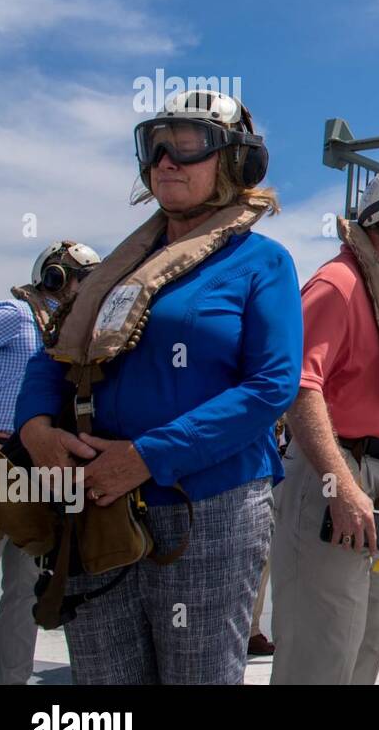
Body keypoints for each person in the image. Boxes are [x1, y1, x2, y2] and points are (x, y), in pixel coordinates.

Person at [15, 89, 301, 684]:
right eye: (155, 145)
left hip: (208, 515)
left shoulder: (261, 264)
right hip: (95, 507)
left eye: (188, 143)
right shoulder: (117, 269)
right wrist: (36, 427)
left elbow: (272, 385)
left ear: (233, 161)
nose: (166, 159)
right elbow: (57, 352)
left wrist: (149, 457)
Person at [271, 162, 379, 684]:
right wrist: (340, 486)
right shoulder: (338, 285)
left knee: (367, 642)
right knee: (321, 653)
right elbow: (300, 388)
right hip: (338, 478)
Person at [0, 241, 100, 684]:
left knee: (24, 591)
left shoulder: (67, 333)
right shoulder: (15, 316)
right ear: (55, 276)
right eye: (82, 279)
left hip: (43, 471)